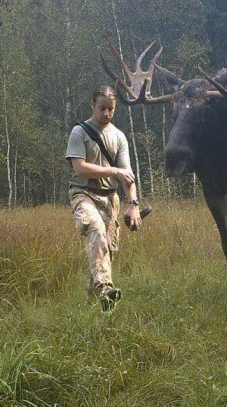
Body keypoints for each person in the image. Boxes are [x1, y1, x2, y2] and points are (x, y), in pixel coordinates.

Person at [65, 85, 142, 311]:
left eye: (111, 109)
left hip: (110, 199)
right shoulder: (79, 133)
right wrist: (114, 172)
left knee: (106, 251)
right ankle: (106, 290)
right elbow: (80, 168)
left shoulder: (118, 137)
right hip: (83, 194)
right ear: (93, 105)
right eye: (102, 108)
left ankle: (94, 307)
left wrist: (133, 205)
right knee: (96, 229)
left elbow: (127, 175)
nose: (106, 113)